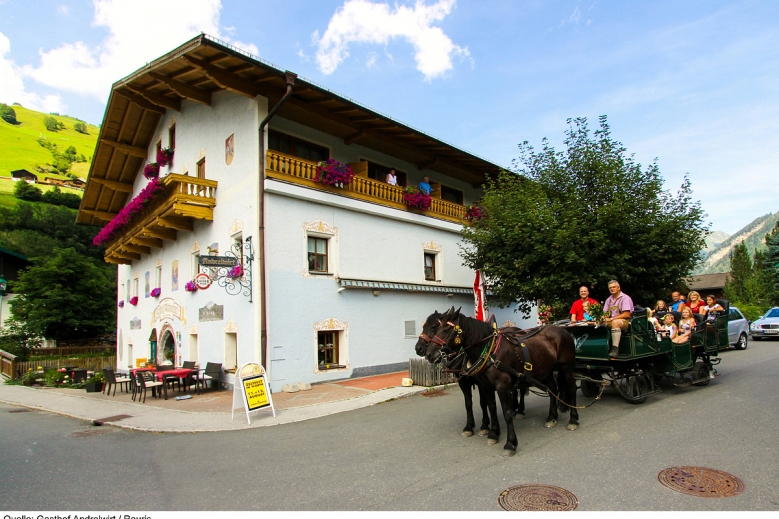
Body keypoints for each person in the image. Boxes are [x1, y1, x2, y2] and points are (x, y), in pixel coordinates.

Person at [602, 280, 634, 359]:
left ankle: (615, 349)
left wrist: (612, 318)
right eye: (610, 288)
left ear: (618, 288)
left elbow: (626, 314)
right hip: (612, 321)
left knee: (615, 323)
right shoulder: (608, 300)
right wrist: (602, 318)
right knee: (599, 324)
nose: (612, 289)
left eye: (614, 287)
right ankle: (601, 347)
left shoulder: (625, 298)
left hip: (625, 321)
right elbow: (604, 313)